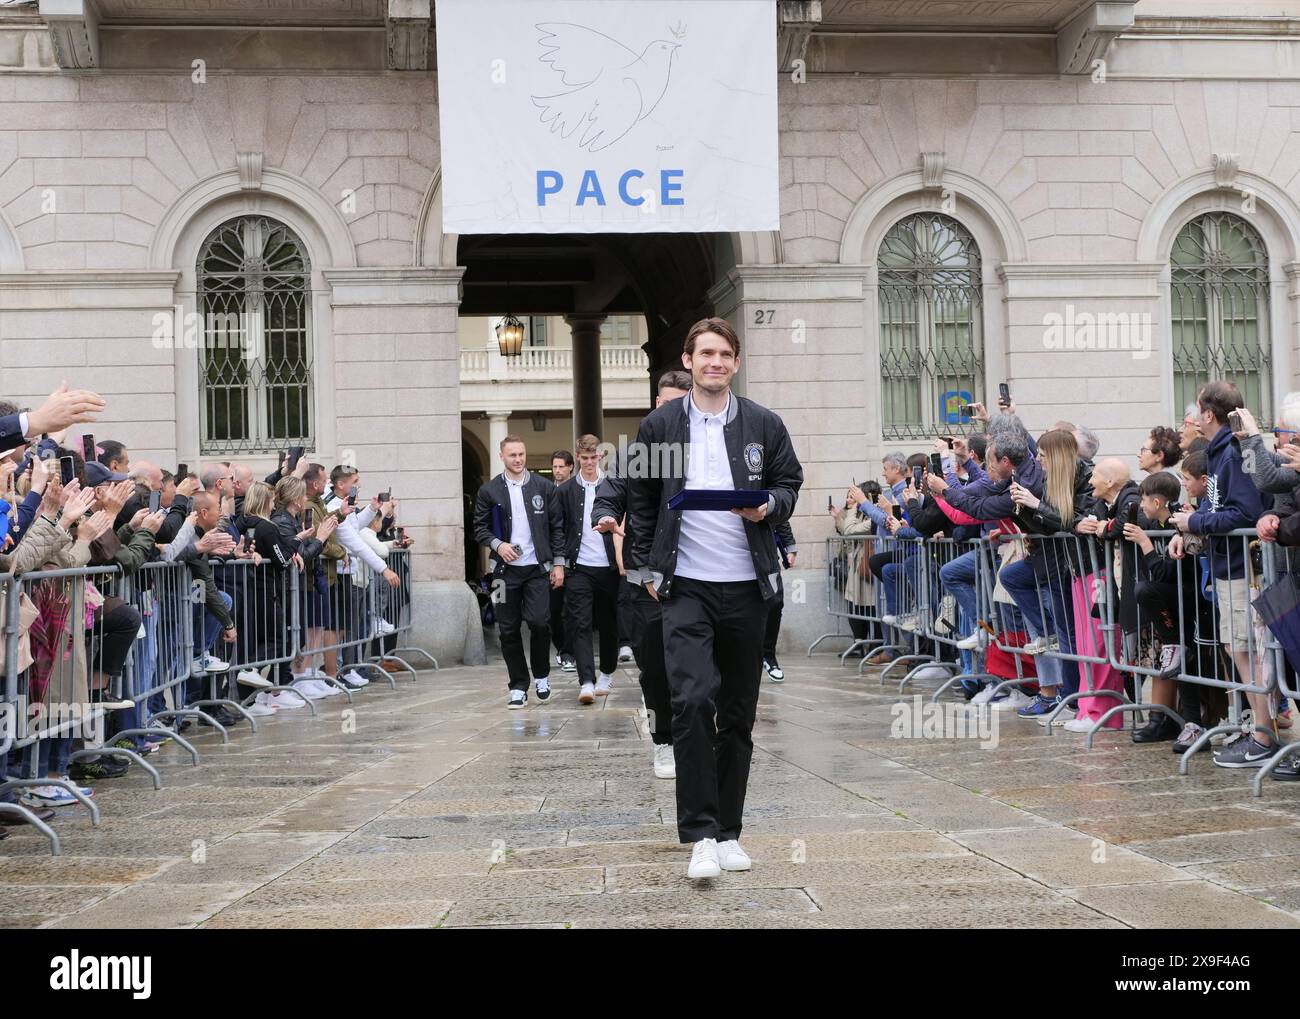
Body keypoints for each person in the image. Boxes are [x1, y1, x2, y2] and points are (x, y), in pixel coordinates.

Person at [622, 317, 803, 881]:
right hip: (686, 587)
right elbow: (643, 498)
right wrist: (648, 569)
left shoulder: (763, 423)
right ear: (690, 359)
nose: (715, 362)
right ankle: (700, 833)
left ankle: (729, 832)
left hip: (747, 586)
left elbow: (788, 483)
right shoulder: (660, 426)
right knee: (693, 701)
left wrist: (768, 507)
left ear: (736, 362)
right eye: (706, 354)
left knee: (739, 714)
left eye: (725, 354)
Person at [1170, 380, 1278, 768]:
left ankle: (1263, 735)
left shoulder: (1230, 454)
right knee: (1239, 648)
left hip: (1241, 568)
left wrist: (1195, 521)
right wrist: (1193, 527)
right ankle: (1261, 731)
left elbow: (1244, 513)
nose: (1195, 418)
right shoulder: (1218, 453)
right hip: (1228, 565)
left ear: (1209, 414)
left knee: (1245, 649)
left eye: (1198, 411)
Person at [593, 369, 692, 780]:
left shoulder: (710, 450)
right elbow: (610, 493)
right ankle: (663, 741)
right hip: (646, 579)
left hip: (696, 576)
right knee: (655, 667)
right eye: (664, 404)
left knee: (699, 667)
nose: (669, 411)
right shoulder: (633, 454)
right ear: (655, 406)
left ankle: (699, 738)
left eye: (677, 405)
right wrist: (605, 517)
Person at [472, 435, 565, 708]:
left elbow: (557, 526)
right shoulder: (489, 491)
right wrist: (498, 545)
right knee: (508, 629)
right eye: (512, 455)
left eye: (521, 454)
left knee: (539, 622)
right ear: (502, 456)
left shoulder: (544, 487)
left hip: (537, 569)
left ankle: (542, 676)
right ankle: (518, 685)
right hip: (502, 573)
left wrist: (558, 562)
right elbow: (479, 528)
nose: (518, 459)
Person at [559, 434, 619, 704]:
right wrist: (559, 561)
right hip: (578, 566)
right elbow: (558, 528)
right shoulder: (565, 490)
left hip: (608, 567)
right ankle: (586, 681)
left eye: (593, 458)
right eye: (583, 458)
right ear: (578, 457)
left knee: (608, 623)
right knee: (580, 623)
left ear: (600, 457)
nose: (588, 463)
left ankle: (606, 672)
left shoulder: (614, 487)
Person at [550, 449, 576, 673]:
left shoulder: (576, 491)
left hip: (573, 559)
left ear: (570, 467)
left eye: (561, 467)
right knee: (552, 610)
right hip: (551, 559)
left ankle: (569, 652)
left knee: (571, 609)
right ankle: (561, 648)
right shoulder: (548, 491)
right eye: (554, 467)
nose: (557, 471)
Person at [761, 520, 797, 682]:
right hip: (730, 561)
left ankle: (768, 656)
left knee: (775, 603)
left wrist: (790, 547)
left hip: (766, 558)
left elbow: (780, 515)